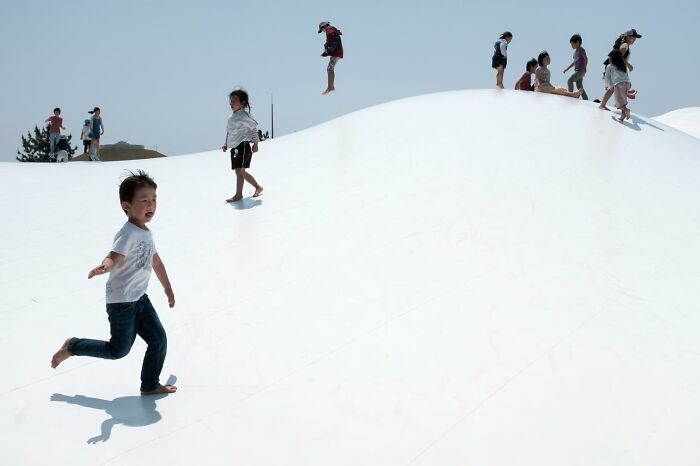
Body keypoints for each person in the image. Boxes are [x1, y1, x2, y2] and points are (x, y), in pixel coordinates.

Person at [50, 170, 177, 396]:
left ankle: (149, 384)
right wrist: (106, 265)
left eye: (154, 200)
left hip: (139, 299)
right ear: (126, 206)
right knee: (117, 350)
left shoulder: (147, 233)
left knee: (158, 339)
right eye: (144, 200)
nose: (151, 205)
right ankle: (73, 346)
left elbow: (156, 261)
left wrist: (167, 288)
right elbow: (114, 255)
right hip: (122, 303)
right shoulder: (128, 233)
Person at [221, 89, 263, 202]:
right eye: (230, 101)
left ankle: (238, 194)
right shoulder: (230, 118)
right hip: (234, 147)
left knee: (239, 171)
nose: (231, 103)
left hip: (243, 145)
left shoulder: (246, 116)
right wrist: (226, 143)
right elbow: (229, 132)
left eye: (234, 100)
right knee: (240, 171)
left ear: (243, 103)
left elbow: (253, 129)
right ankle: (258, 187)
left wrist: (256, 144)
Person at [598, 29, 641, 110]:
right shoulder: (625, 45)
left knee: (614, 87)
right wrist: (629, 65)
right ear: (628, 37)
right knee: (617, 86)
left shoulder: (623, 44)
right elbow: (619, 57)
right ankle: (611, 104)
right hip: (615, 69)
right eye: (633, 37)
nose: (635, 39)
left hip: (614, 68)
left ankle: (608, 104)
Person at [606, 49, 633, 122]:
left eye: (610, 57)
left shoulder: (610, 66)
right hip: (627, 83)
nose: (609, 59)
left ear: (612, 58)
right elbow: (626, 75)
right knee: (622, 101)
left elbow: (607, 77)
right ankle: (623, 115)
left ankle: (626, 110)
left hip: (619, 84)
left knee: (618, 101)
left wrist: (606, 85)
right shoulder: (622, 66)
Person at [318, 21, 343, 95]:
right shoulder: (331, 30)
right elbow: (332, 40)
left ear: (324, 26)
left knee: (329, 69)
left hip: (336, 53)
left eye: (322, 30)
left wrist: (330, 49)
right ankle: (330, 87)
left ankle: (330, 87)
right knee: (330, 69)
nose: (322, 31)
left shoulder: (329, 31)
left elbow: (335, 40)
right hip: (337, 52)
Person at [563, 34, 588, 100]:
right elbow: (574, 62)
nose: (571, 46)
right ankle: (586, 99)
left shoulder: (581, 50)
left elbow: (585, 58)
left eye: (572, 44)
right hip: (577, 70)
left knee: (570, 81)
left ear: (577, 42)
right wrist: (567, 69)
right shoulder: (575, 52)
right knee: (579, 86)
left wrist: (585, 67)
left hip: (580, 70)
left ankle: (570, 95)